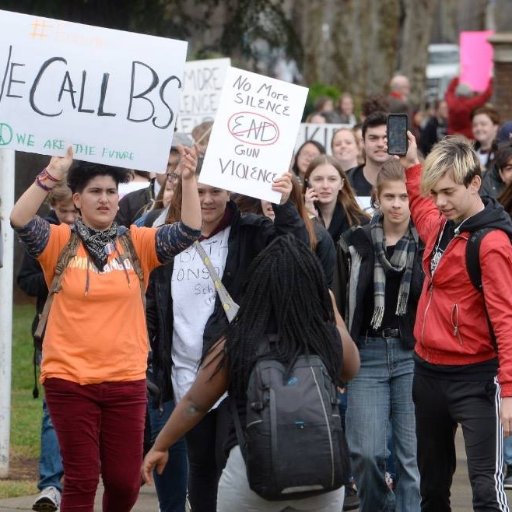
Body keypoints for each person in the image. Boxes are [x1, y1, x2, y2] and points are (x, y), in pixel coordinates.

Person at [10, 146, 202, 512]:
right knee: (82, 479)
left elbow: (189, 231)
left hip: (125, 381)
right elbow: (19, 219)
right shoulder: (57, 241)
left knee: (124, 482)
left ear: (119, 199)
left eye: (111, 192)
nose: (104, 198)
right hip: (69, 380)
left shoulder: (138, 242)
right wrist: (50, 175)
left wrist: (189, 181)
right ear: (78, 199)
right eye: (95, 192)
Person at [142, 235, 361, 512]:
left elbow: (195, 404)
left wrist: (160, 446)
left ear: (257, 286)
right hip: (322, 475)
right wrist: (330, 310)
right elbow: (352, 369)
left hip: (252, 472)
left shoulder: (237, 341)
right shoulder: (328, 338)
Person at [145, 171, 308, 512]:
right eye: (200, 190)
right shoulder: (165, 239)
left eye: (215, 191)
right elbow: (153, 306)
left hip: (235, 374)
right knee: (200, 465)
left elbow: (294, 251)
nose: (207, 199)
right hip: (181, 375)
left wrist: (286, 203)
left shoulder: (250, 231)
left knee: (231, 463)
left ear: (230, 192)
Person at [401, 133, 512, 512]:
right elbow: (420, 203)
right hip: (428, 375)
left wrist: (510, 393)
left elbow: (506, 320)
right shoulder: (440, 224)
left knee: (486, 492)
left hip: (476, 380)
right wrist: (413, 162)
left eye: (448, 192)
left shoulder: (492, 242)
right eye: (436, 193)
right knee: (431, 490)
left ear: (474, 183)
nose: (441, 202)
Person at [335, 160, 423, 511]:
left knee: (410, 460)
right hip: (366, 353)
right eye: (390, 197)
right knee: (366, 453)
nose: (398, 204)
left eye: (404, 196)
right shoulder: (355, 241)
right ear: (377, 198)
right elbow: (340, 301)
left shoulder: (426, 242)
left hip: (412, 355)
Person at [17, 182, 78, 512]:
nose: (68, 218)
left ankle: (78, 474)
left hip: (92, 335)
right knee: (53, 413)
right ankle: (50, 484)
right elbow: (25, 282)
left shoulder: (96, 234)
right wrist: (54, 270)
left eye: (73, 211)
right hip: (52, 333)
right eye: (61, 211)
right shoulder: (41, 236)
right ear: (52, 208)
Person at [117, 132, 193, 227]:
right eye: (167, 165)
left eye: (179, 165)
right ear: (156, 163)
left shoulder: (198, 202)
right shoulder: (130, 202)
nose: (173, 172)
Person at [303, 155, 369, 244]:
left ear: (341, 184)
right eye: (318, 179)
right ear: (308, 183)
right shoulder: (296, 219)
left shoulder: (360, 222)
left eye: (332, 179)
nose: (325, 186)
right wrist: (309, 218)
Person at [347, 111, 391, 211]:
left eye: (386, 138)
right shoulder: (345, 182)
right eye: (373, 138)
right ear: (363, 142)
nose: (380, 144)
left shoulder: (407, 181)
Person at [472, 106, 500, 172]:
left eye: (483, 124)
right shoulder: (470, 150)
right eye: (475, 125)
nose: (478, 128)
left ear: (495, 126)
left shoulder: (503, 153)